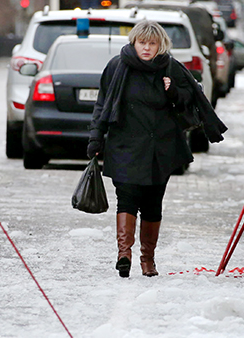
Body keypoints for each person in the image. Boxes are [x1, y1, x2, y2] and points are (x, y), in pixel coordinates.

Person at [87, 20, 227, 278]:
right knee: (126, 198)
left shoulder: (171, 67)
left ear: (160, 45)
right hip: (124, 145)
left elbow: (191, 98)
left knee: (153, 204)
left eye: (152, 43)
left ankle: (147, 260)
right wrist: (96, 137)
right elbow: (102, 104)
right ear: (134, 42)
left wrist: (173, 91)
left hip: (159, 147)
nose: (147, 48)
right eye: (142, 43)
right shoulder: (117, 67)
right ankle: (124, 255)